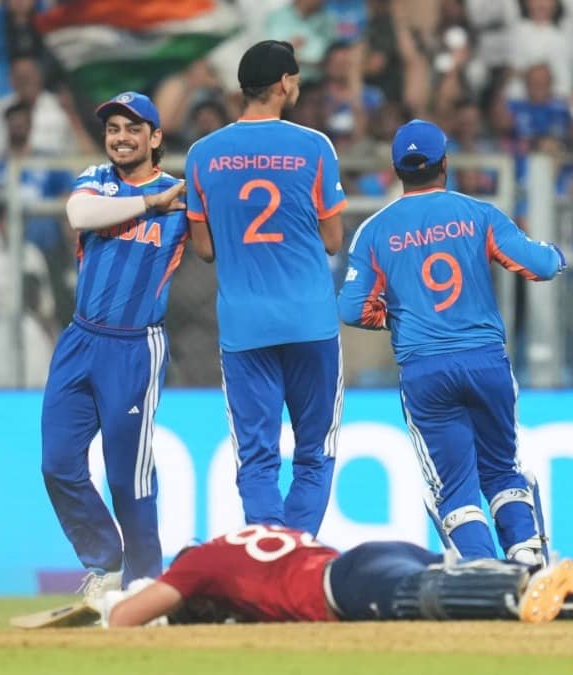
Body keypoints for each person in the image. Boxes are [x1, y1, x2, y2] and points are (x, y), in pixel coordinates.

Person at [337, 119, 566, 564]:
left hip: (425, 369)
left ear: (397, 169)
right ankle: (528, 559)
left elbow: (351, 309)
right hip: (485, 361)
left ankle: (484, 574)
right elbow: (537, 265)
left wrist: (395, 318)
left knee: (454, 487)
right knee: (502, 470)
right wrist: (556, 257)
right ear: (445, 163)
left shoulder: (374, 231)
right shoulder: (478, 214)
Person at [184, 40, 346, 536]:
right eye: (295, 78)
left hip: (244, 325)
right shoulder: (315, 146)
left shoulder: (202, 154)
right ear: (282, 84)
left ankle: (266, 559)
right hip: (310, 322)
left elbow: (205, 249)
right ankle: (297, 554)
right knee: (315, 452)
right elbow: (334, 241)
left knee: (256, 456)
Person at [40, 91, 188, 600]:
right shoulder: (96, 180)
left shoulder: (182, 194)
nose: (121, 138)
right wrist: (150, 204)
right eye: (113, 129)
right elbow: (79, 215)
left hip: (134, 348)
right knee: (57, 463)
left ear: (155, 138)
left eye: (132, 128)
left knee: (129, 477)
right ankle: (105, 563)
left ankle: (145, 583)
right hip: (80, 338)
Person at [98, 525, 573, 627]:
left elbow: (128, 616)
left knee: (428, 599)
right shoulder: (249, 541)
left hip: (343, 588)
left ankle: (521, 592)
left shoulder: (199, 562)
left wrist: (116, 610)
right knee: (489, 572)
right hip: (369, 553)